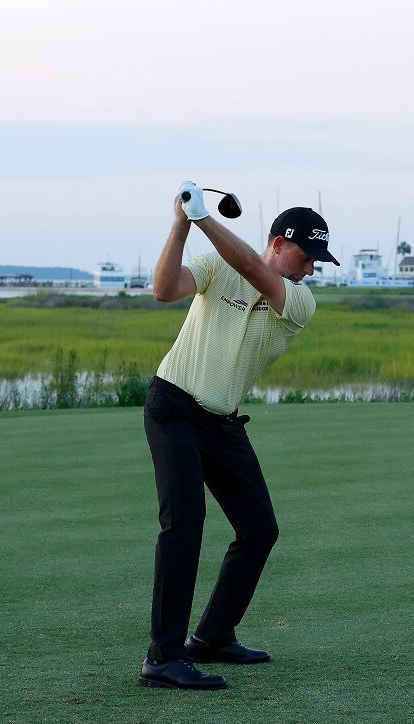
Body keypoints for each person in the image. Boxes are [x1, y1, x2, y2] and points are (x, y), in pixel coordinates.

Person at [138, 181, 339, 690]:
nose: (311, 267)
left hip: (222, 421)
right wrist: (181, 224)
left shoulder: (299, 301)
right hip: (175, 406)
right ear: (278, 242)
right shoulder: (217, 265)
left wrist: (202, 215)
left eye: (318, 260)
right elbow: (164, 289)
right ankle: (163, 656)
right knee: (184, 525)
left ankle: (212, 637)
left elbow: (253, 268)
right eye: (307, 254)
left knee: (259, 528)